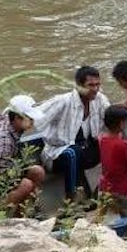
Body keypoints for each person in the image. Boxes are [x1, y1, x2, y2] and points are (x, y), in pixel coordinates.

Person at [37, 65, 110, 203]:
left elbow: (111, 120)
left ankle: (100, 193)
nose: (95, 89)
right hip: (58, 154)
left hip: (85, 151)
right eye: (90, 85)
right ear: (78, 86)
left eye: (97, 84)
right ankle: (72, 201)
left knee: (110, 146)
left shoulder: (99, 99)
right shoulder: (63, 101)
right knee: (73, 152)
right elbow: (35, 117)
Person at [0, 95, 48, 217]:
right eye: (29, 118)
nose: (32, 122)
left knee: (38, 171)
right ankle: (0, 213)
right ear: (17, 118)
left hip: (8, 169)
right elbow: (0, 177)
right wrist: (21, 180)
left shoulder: (6, 119)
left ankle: (25, 212)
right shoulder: (4, 141)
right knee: (26, 184)